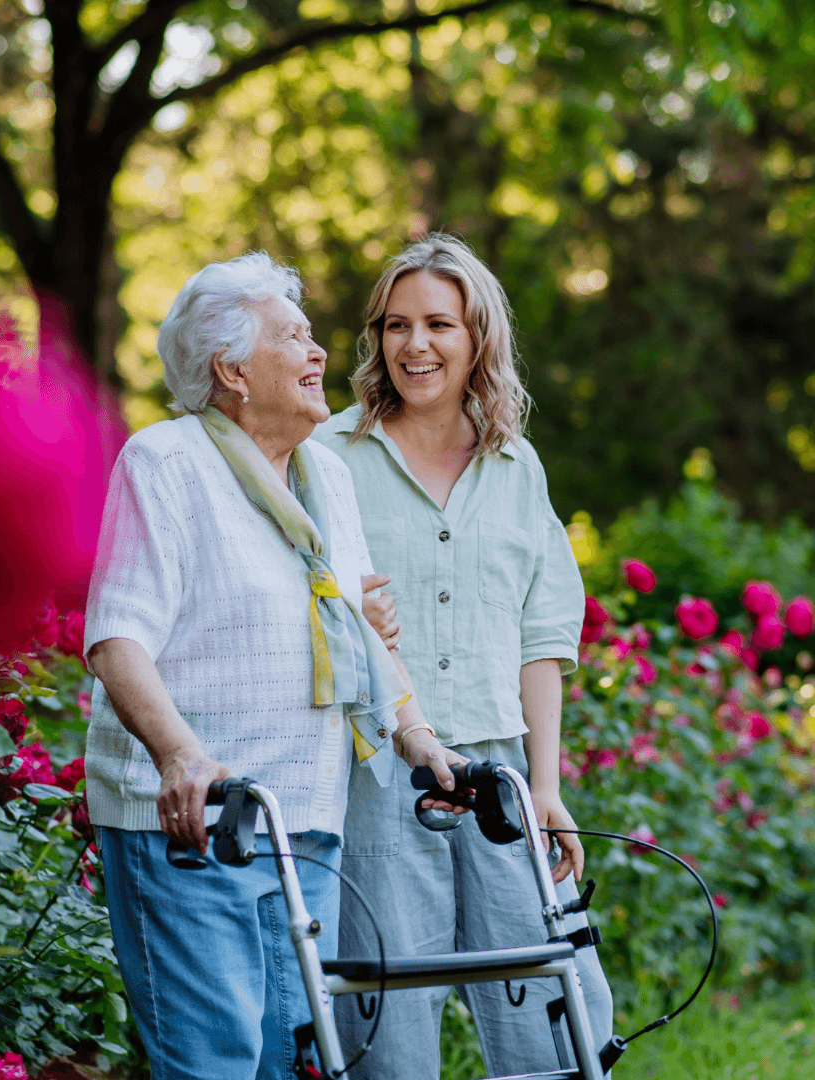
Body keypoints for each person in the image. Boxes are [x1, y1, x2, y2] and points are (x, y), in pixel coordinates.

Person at [82, 251, 463, 1080]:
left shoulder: (323, 472)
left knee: (296, 1063)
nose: (319, 352)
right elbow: (118, 636)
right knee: (215, 1062)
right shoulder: (168, 463)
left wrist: (417, 735)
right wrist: (180, 753)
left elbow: (359, 632)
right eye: (293, 337)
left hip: (304, 823)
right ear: (231, 370)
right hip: (195, 825)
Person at [313, 233, 614, 1079]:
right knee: (386, 1010)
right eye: (397, 325)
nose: (416, 345)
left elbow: (543, 639)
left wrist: (544, 786)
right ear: (376, 337)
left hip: (499, 774)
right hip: (377, 773)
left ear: (478, 336)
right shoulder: (329, 459)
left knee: (551, 1006)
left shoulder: (517, 467)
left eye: (440, 324)